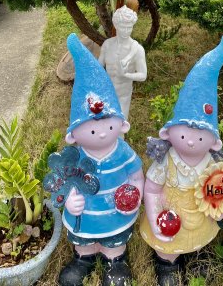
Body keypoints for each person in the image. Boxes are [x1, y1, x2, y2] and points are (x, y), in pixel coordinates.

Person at [140, 37, 223, 286]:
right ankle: (166, 264)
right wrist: (154, 213)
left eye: (200, 136)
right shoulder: (165, 161)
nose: (191, 142)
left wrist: (217, 210)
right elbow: (152, 189)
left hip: (199, 217)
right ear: (167, 134)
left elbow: (219, 192)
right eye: (183, 134)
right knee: (168, 247)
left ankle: (195, 254)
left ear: (213, 142)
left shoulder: (213, 164)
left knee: (199, 238)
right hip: (169, 215)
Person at [57, 34, 144, 286]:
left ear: (122, 124)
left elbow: (137, 176)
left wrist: (134, 194)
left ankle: (114, 261)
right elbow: (65, 182)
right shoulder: (75, 156)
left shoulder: (123, 152)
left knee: (114, 243)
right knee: (83, 243)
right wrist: (70, 199)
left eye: (108, 124)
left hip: (115, 212)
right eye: (92, 129)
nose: (102, 132)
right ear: (74, 135)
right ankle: (83, 259)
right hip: (84, 214)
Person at [98, 5, 147, 120]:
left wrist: (127, 75)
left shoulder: (137, 49)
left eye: (129, 27)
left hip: (123, 94)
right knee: (105, 124)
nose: (126, 31)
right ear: (116, 25)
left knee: (120, 124)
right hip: (106, 91)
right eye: (123, 27)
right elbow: (98, 67)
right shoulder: (107, 45)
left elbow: (143, 75)